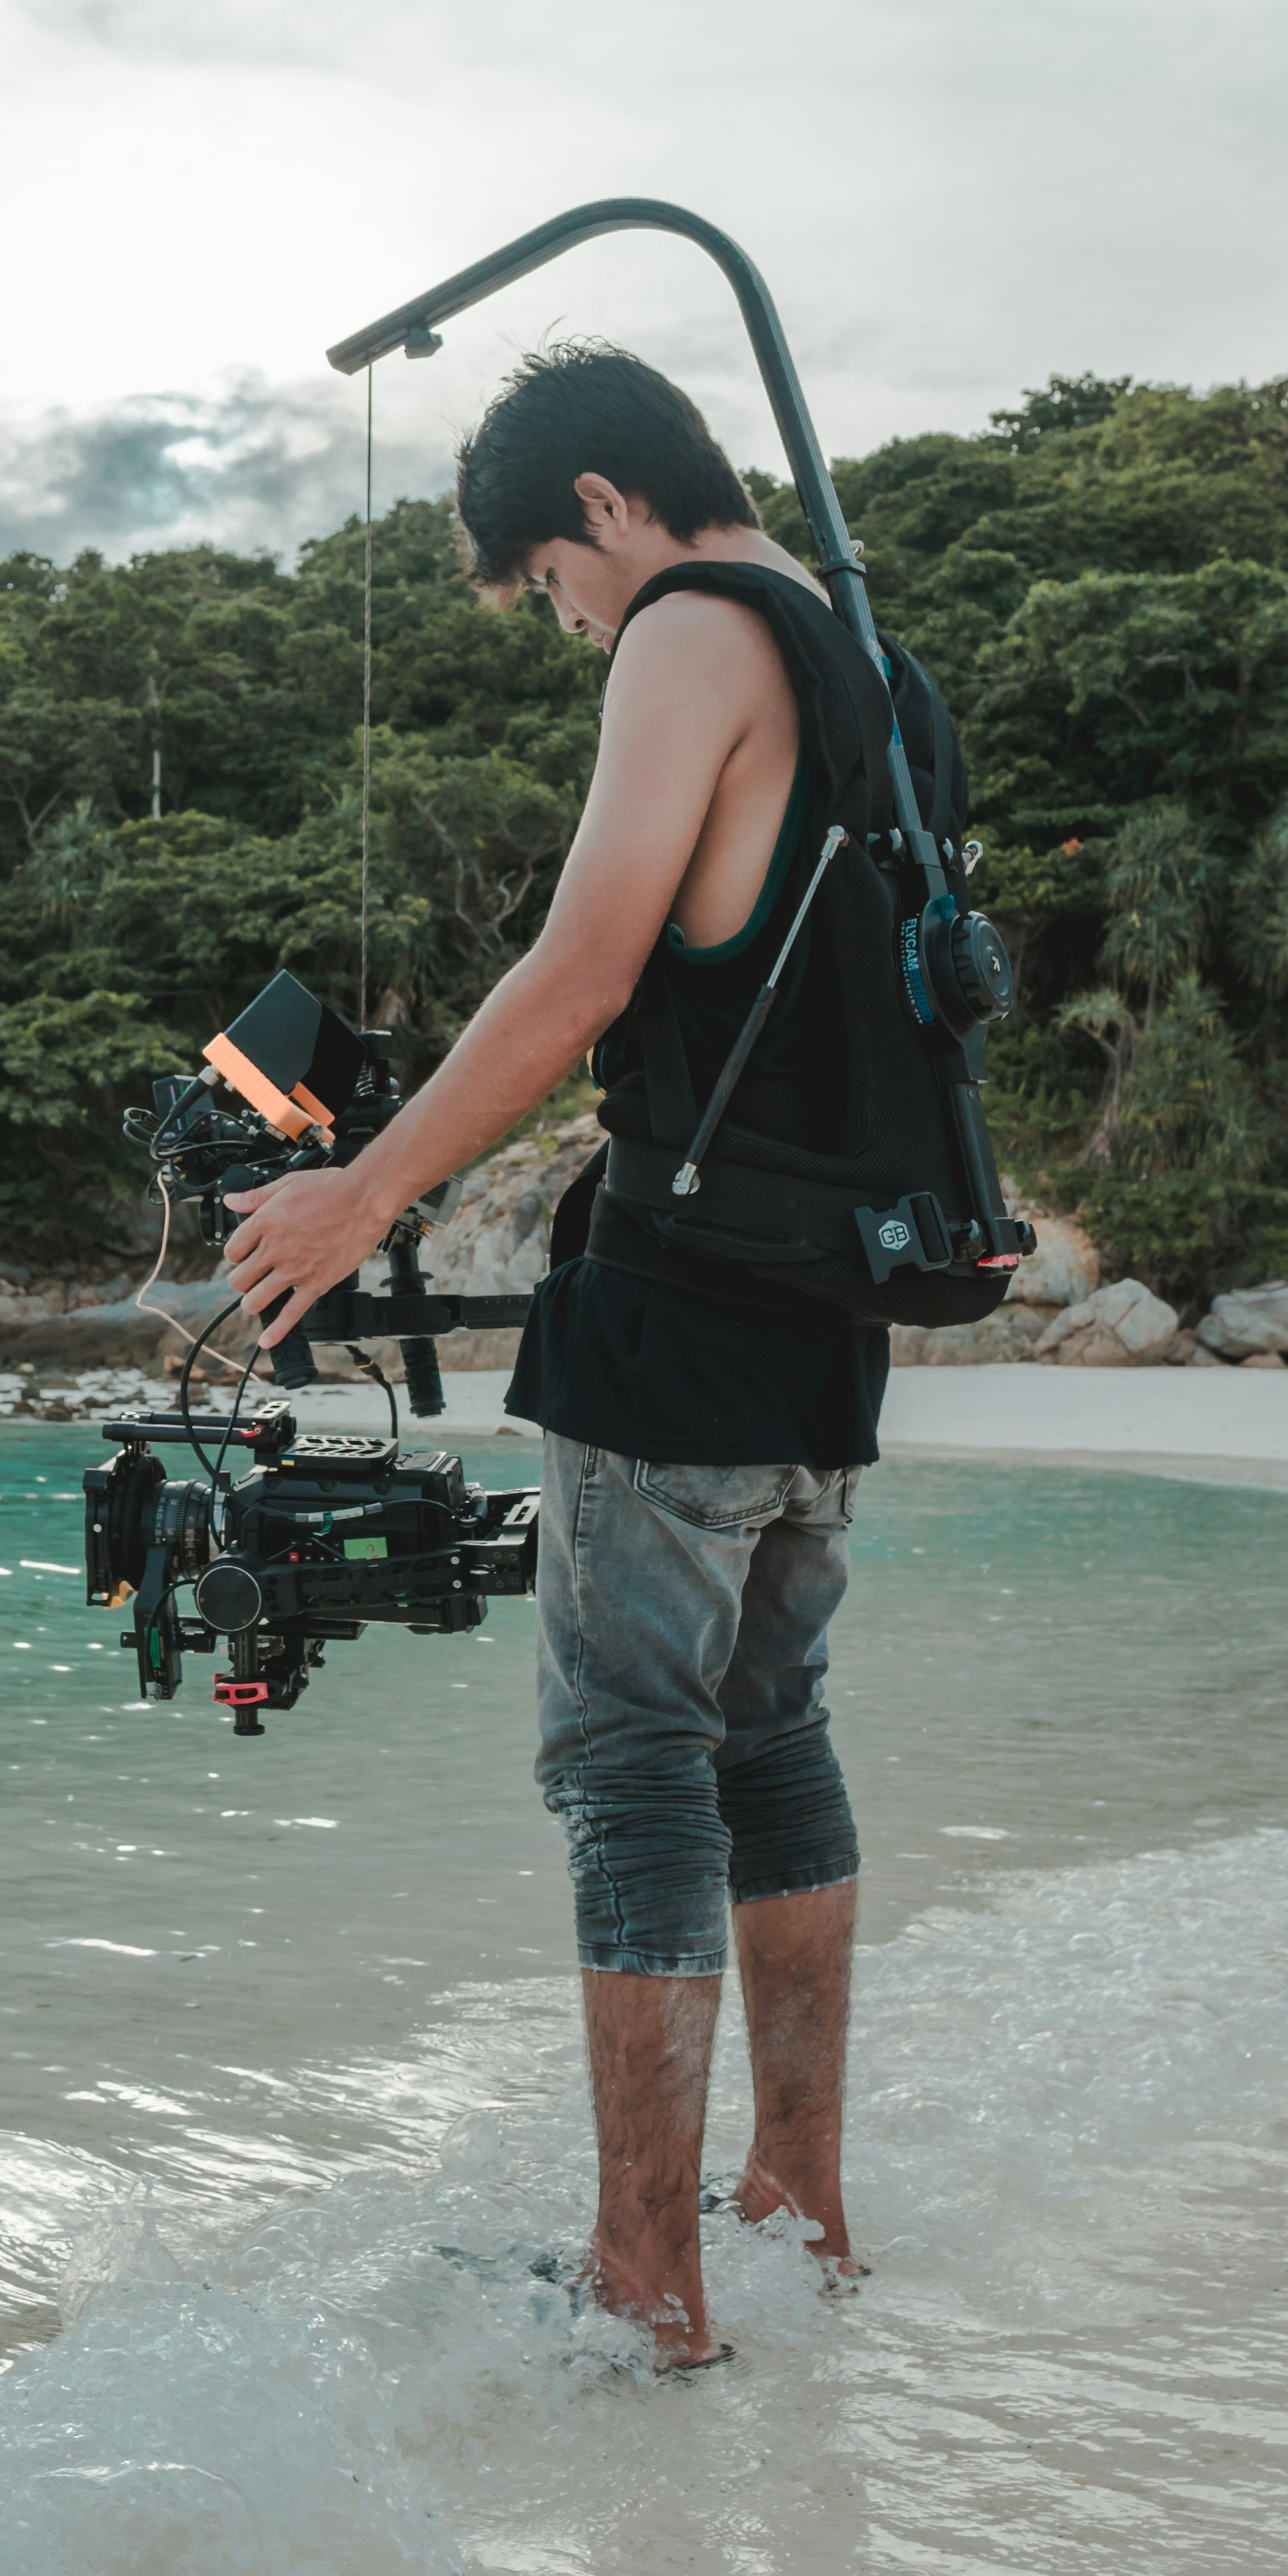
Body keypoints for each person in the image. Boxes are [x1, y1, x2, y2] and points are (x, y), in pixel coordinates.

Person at [222, 341, 875, 2372]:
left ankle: (642, 2273)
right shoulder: (868, 661)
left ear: (603, 506)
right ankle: (794, 2199)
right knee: (763, 1736)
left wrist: (357, 1198)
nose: (563, 628)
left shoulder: (688, 626)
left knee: (629, 1763)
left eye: (546, 590)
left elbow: (582, 969)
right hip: (831, 1294)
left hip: (683, 1299)